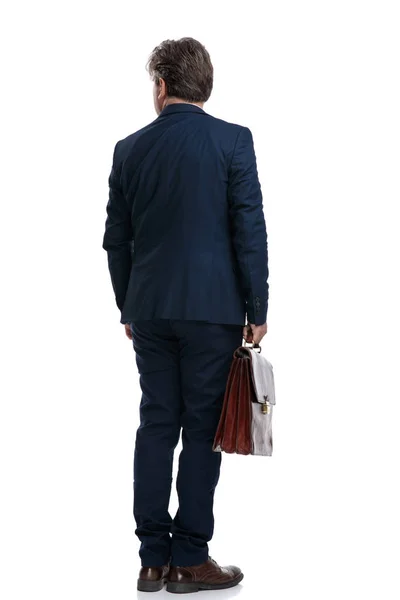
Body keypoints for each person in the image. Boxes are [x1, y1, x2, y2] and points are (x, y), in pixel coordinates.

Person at [102, 37, 269, 594]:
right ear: (204, 86)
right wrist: (258, 307)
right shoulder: (233, 142)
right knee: (202, 432)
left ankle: (151, 559)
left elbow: (115, 241)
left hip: (149, 309)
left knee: (156, 423)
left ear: (162, 86)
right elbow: (249, 231)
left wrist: (129, 303)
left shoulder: (130, 149)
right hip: (214, 311)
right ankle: (189, 559)